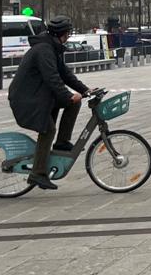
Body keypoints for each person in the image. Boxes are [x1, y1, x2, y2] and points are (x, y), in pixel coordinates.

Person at [7, 17, 91, 192]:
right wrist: (68, 96)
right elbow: (52, 78)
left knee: (74, 104)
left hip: (39, 96)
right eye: (68, 33)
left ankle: (62, 143)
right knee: (48, 129)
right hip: (27, 99)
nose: (69, 36)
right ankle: (37, 173)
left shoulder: (51, 47)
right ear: (63, 34)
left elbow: (65, 73)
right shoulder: (44, 50)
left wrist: (85, 90)